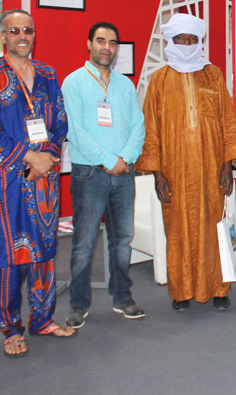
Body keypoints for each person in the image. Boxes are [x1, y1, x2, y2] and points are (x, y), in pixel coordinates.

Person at [0, 9, 75, 358]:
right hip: (7, 183)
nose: (22, 36)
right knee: (7, 255)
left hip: (44, 182)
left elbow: (60, 123)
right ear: (3, 36)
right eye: (14, 31)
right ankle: (11, 329)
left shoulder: (47, 74)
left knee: (44, 250)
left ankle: (42, 319)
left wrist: (48, 158)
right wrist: (31, 158)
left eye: (27, 30)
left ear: (33, 34)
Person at [136, 13, 236, 312]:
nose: (186, 44)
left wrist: (227, 166)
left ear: (200, 41)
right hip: (175, 172)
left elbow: (227, 121)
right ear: (171, 41)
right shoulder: (159, 80)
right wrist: (158, 175)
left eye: (192, 39)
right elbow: (151, 128)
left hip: (211, 170)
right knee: (178, 231)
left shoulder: (213, 75)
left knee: (215, 228)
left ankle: (219, 288)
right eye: (180, 39)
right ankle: (181, 291)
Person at [62, 22, 146, 328]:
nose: (106, 47)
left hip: (123, 174)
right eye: (100, 41)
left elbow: (138, 126)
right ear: (89, 44)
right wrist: (110, 160)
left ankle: (122, 297)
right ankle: (78, 304)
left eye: (112, 43)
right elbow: (75, 131)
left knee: (122, 240)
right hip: (89, 174)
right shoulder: (74, 82)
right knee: (84, 243)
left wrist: (125, 159)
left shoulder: (125, 85)